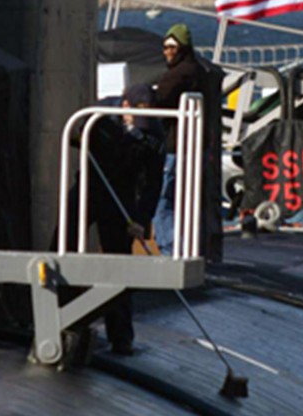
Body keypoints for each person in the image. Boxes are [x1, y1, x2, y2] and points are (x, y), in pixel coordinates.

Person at [56, 83, 165, 355]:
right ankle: (61, 317)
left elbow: (153, 181)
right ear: (125, 106)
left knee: (118, 262)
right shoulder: (101, 115)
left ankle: (121, 336)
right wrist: (81, 137)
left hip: (122, 195)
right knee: (62, 245)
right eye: (136, 118)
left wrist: (142, 217)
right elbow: (73, 136)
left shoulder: (155, 132)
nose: (140, 125)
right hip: (90, 187)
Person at [152, 23, 202, 256]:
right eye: (165, 47)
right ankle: (187, 248)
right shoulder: (199, 70)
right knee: (183, 201)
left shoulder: (179, 74)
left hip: (176, 146)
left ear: (182, 48)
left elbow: (160, 98)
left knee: (162, 201)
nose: (168, 52)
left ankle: (169, 250)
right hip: (192, 145)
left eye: (172, 47)